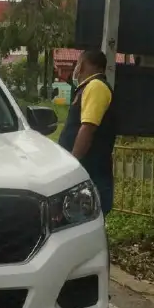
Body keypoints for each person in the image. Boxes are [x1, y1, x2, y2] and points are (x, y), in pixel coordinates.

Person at [57, 49, 116, 215]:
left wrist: (73, 163)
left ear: (82, 65)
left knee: (86, 220)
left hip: (90, 171)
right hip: (86, 171)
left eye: (77, 63)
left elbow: (88, 127)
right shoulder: (87, 88)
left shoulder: (96, 86)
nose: (76, 68)